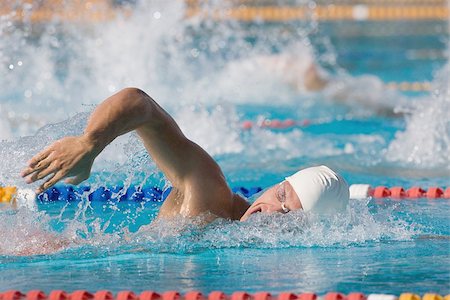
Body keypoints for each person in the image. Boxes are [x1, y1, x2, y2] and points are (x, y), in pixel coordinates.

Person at [21, 88, 349, 223]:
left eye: (288, 214)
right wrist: (89, 142)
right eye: (281, 194)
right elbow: (140, 103)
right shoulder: (210, 193)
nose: (272, 210)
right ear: (276, 184)